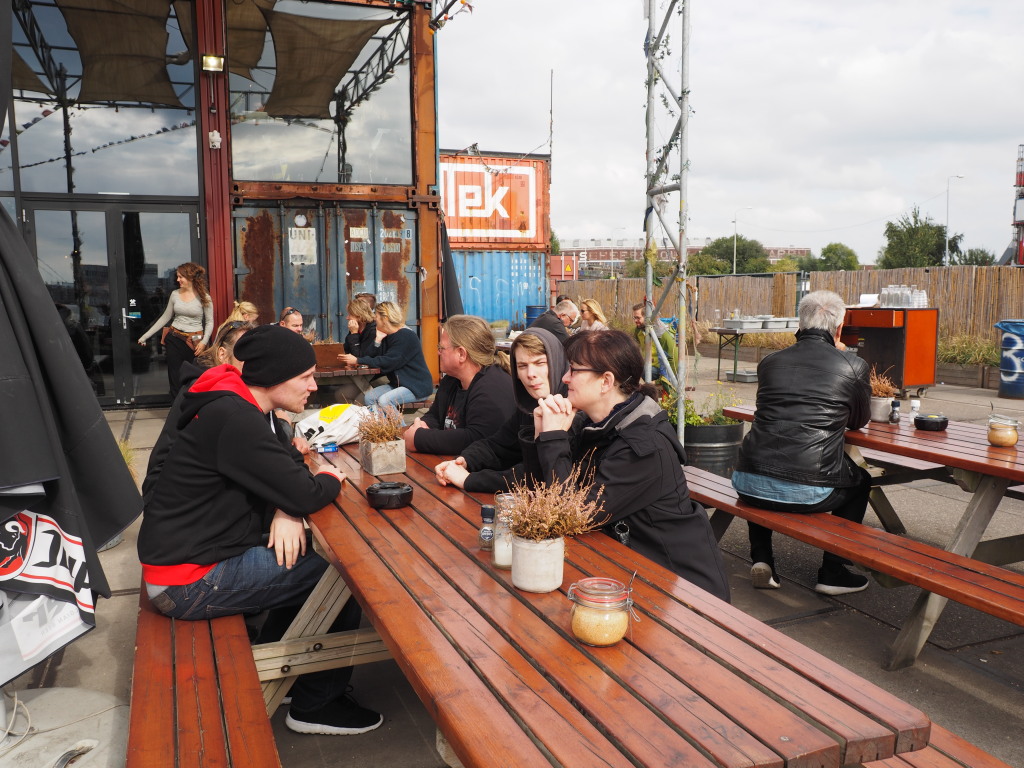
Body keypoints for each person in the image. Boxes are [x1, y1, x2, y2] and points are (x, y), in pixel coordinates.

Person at [138, 324, 383, 736]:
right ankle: (317, 704)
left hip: (190, 560)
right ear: (273, 378)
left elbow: (285, 466)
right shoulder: (236, 418)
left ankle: (288, 668)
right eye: (305, 377)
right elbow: (305, 491)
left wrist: (286, 508)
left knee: (305, 556)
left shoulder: (239, 405)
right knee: (342, 572)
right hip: (188, 582)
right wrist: (330, 477)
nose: (313, 386)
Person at [523, 330, 730, 602]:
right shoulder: (594, 426)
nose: (564, 378)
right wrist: (541, 436)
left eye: (573, 370)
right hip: (628, 570)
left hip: (683, 592)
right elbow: (542, 498)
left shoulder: (643, 448)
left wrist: (553, 440)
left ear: (606, 381)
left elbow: (568, 516)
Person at [730, 290, 872, 595]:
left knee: (764, 462)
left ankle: (763, 559)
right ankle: (833, 571)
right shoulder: (852, 365)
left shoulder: (770, 362)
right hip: (810, 489)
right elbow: (858, 421)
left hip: (746, 481)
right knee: (861, 481)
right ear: (839, 328)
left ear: (800, 323)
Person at [141, 320, 258, 507]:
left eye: (258, 354)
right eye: (245, 354)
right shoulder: (212, 391)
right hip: (170, 500)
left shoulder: (228, 385)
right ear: (222, 354)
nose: (254, 361)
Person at [434, 327, 567, 492]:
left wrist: (468, 480)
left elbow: (535, 476)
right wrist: (463, 461)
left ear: (556, 362)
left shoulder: (570, 412)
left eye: (540, 363)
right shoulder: (528, 406)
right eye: (522, 366)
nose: (531, 374)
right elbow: (497, 446)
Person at [405, 314, 514, 455]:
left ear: (461, 354)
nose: (438, 352)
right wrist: (422, 425)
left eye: (441, 348)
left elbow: (475, 438)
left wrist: (419, 438)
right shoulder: (451, 380)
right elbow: (435, 416)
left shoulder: (493, 389)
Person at [137, 262, 214, 398]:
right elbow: (164, 318)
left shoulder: (204, 297)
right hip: (175, 338)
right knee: (174, 377)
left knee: (196, 376)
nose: (178, 280)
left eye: (180, 277)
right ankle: (176, 407)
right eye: (177, 276)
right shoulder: (174, 294)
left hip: (195, 342)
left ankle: (193, 407)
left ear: (190, 277)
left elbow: (209, 322)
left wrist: (204, 342)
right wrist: (145, 336)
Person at [339, 301, 433, 410]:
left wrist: (357, 360)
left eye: (377, 316)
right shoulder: (387, 336)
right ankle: (380, 421)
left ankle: (396, 422)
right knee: (369, 398)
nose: (374, 319)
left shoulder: (406, 336)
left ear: (385, 319)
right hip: (399, 384)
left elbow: (388, 362)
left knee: (384, 401)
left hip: (416, 387)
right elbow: (372, 356)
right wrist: (377, 341)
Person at [631, 302, 678, 380]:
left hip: (663, 371)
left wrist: (664, 381)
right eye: (634, 318)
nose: (635, 321)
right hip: (649, 365)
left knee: (644, 371)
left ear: (647, 317)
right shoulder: (638, 330)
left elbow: (674, 358)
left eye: (638, 318)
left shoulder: (662, 334)